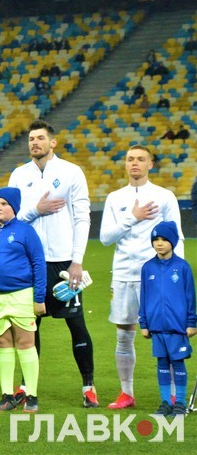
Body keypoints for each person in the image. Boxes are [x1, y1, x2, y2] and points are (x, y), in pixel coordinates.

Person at [8, 119, 98, 408]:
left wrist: (77, 261)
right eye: (31, 138)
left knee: (76, 324)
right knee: (29, 327)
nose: (35, 142)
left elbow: (82, 218)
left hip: (63, 264)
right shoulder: (19, 175)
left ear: (52, 142)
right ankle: (27, 387)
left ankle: (88, 386)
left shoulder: (71, 172)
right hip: (28, 263)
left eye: (40, 138)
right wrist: (35, 210)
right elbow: (10, 220)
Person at [99, 144, 184, 409]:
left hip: (158, 276)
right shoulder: (114, 198)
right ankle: (127, 393)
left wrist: (178, 274)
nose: (134, 163)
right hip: (123, 273)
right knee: (124, 335)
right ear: (125, 164)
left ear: (150, 164)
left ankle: (173, 394)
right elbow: (105, 238)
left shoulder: (164, 196)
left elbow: (178, 237)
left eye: (140, 159)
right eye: (130, 159)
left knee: (166, 334)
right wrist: (132, 218)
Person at [0, 188, 46, 413]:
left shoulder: (26, 232)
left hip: (21, 295)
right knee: (3, 344)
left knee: (25, 344)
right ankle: (7, 397)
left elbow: (38, 263)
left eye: (3, 204)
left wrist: (39, 297)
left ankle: (31, 396)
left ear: (14, 207)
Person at [139, 221, 196, 416]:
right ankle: (165, 402)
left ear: (173, 241)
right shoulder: (147, 268)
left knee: (178, 363)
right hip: (156, 327)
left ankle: (180, 403)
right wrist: (144, 323)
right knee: (162, 363)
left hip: (177, 327)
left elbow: (190, 297)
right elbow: (144, 296)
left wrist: (191, 322)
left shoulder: (182, 267)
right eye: (156, 239)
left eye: (164, 239)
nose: (159, 243)